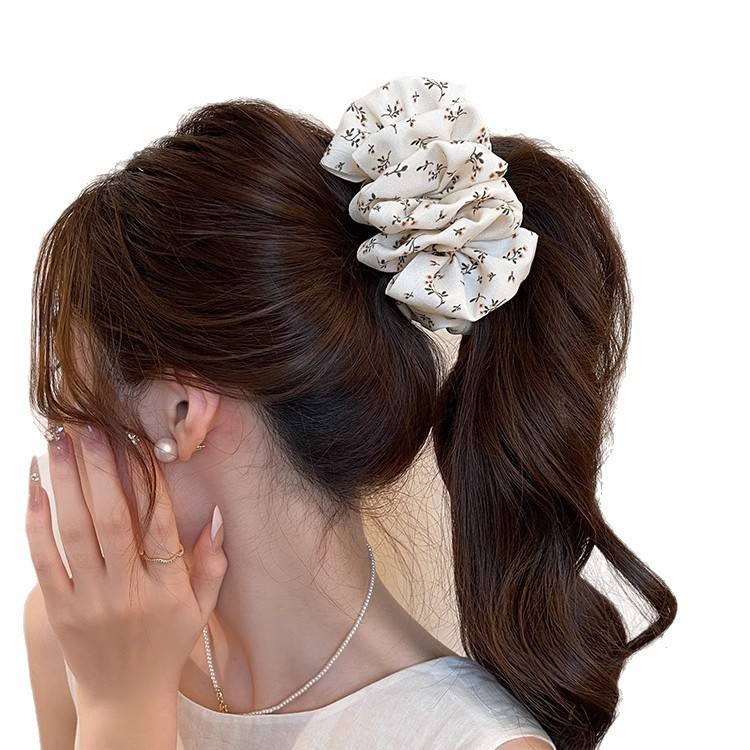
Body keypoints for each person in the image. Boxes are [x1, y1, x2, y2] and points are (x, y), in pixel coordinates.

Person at [23, 75, 676, 750]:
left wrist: (124, 708)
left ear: (183, 412)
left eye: (76, 404)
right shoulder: (79, 640)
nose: (60, 443)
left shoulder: (467, 741)